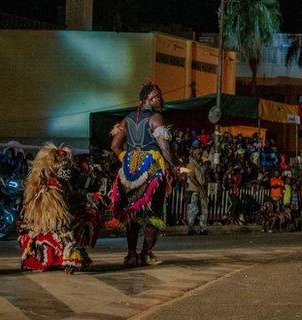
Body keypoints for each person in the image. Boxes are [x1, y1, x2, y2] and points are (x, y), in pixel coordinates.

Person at [109, 82, 180, 267]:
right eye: (158, 96)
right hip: (151, 167)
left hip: (129, 169)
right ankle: (146, 254)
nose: (161, 100)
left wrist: (127, 157)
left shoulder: (127, 119)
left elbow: (114, 146)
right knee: (153, 211)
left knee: (132, 210)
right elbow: (164, 147)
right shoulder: (156, 118)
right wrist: (175, 166)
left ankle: (131, 254)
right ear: (149, 97)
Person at [18, 144, 91, 273]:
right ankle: (67, 256)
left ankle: (67, 255)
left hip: (59, 210)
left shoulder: (63, 182)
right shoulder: (47, 186)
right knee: (58, 227)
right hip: (47, 212)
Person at [186, 145, 209, 236]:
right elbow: (192, 177)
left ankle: (203, 228)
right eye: (198, 153)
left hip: (200, 190)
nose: (200, 155)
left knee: (204, 210)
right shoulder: (191, 164)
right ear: (194, 155)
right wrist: (200, 186)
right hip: (194, 190)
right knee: (193, 210)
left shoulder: (200, 164)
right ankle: (191, 228)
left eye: (200, 153)